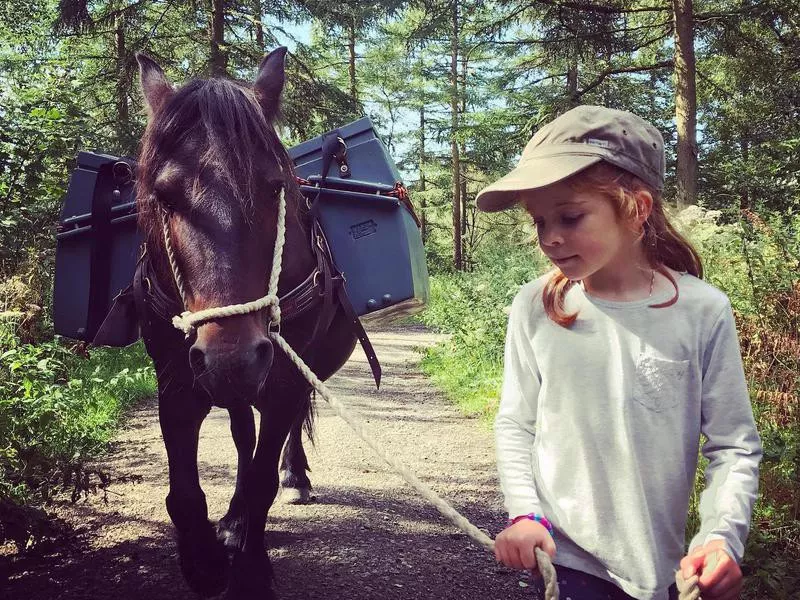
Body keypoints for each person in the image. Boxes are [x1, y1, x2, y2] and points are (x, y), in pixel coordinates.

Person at [477, 105, 762, 600]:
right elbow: (516, 422)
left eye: (570, 216)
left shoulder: (703, 311)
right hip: (566, 557)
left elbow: (733, 444)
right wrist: (525, 513)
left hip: (669, 568)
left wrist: (721, 538)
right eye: (540, 221)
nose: (550, 237)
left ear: (636, 208)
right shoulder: (535, 307)